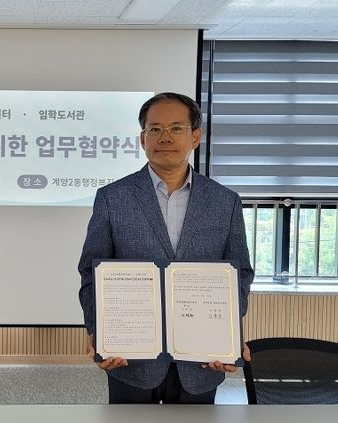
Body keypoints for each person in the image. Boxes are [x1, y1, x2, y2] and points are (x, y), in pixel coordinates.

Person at [77, 92, 253, 404]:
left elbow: (240, 274)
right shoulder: (112, 198)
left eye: (176, 128)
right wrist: (98, 331)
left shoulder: (224, 201)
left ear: (195, 136)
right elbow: (91, 272)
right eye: (155, 129)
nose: (165, 137)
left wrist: (227, 336)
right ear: (142, 139)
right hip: (130, 361)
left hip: (201, 362)